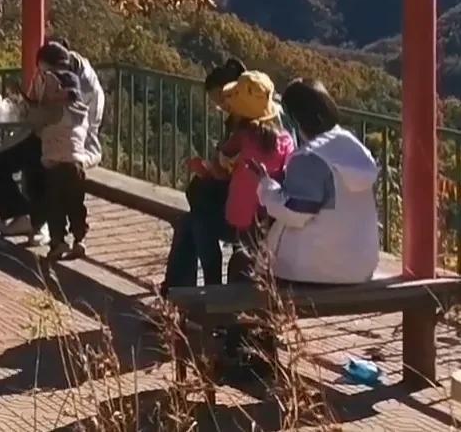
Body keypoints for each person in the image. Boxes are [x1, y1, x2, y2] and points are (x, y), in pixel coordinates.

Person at [250, 77, 380, 285]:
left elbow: (295, 214)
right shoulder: (353, 146)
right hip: (359, 268)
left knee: (247, 264)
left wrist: (266, 187)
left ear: (295, 119)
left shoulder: (310, 157)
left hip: (311, 269)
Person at [0, 36, 97, 243]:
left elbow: (77, 121)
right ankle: (25, 215)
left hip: (70, 146)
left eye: (45, 72)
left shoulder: (82, 84)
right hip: (41, 135)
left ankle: (39, 223)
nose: (41, 75)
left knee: (45, 168)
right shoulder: (47, 74)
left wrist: (38, 112)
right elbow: (35, 108)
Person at [160, 58, 243, 295]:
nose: (221, 106)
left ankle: (197, 296)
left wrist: (209, 170)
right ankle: (185, 296)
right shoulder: (240, 122)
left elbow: (236, 173)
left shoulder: (250, 128)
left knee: (196, 223)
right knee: (191, 222)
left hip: (248, 213)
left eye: (221, 99)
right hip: (234, 203)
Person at [32, 41, 105, 261]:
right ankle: (73, 240)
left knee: (61, 204)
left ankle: (64, 242)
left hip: (60, 161)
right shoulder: (76, 106)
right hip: (70, 160)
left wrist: (47, 101)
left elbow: (39, 126)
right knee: (71, 203)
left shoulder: (57, 99)